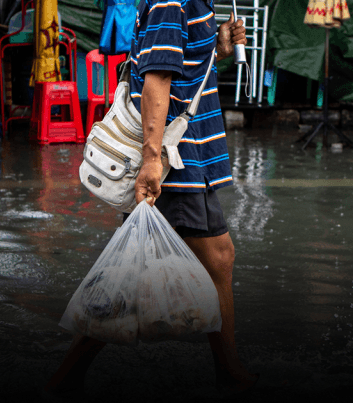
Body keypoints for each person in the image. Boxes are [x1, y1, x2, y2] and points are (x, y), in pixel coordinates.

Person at [45, 0, 258, 395]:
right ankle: (229, 373)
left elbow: (179, 62)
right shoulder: (173, 0)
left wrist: (217, 46)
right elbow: (157, 77)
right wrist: (151, 159)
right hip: (176, 161)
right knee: (210, 259)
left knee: (142, 267)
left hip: (184, 156)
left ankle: (66, 378)